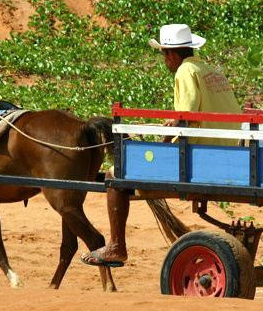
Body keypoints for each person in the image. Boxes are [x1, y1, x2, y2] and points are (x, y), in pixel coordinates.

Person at [81, 24, 241, 267]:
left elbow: (184, 117)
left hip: (200, 153)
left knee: (115, 175)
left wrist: (164, 141)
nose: (165, 60)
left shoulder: (185, 72)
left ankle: (116, 246)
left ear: (171, 54)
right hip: (229, 149)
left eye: (164, 55)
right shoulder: (209, 70)